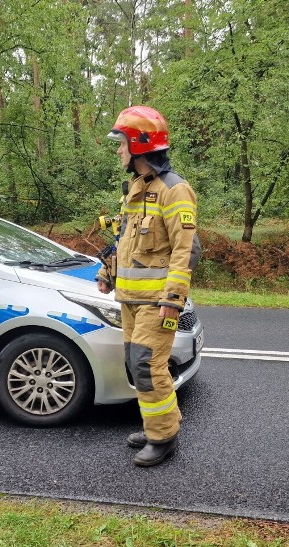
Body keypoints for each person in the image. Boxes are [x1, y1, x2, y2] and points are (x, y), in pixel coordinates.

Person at [96, 105, 201, 467]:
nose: (118, 151)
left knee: (146, 363)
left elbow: (186, 251)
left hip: (158, 303)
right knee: (136, 364)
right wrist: (108, 273)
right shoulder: (137, 188)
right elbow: (126, 239)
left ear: (140, 145)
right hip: (130, 298)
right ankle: (157, 421)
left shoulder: (175, 190)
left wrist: (173, 299)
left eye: (121, 143)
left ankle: (163, 436)